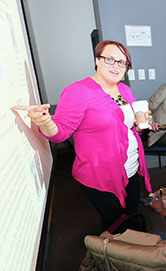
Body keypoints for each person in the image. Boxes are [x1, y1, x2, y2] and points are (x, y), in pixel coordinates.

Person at [15, 40, 152, 231]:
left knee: (131, 214)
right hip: (101, 174)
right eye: (110, 59)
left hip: (131, 168)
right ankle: (114, 257)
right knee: (114, 224)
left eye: (122, 62)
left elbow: (125, 127)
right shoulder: (78, 91)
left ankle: (133, 252)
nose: (116, 66)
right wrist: (45, 122)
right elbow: (60, 133)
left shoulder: (125, 90)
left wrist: (138, 125)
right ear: (97, 60)